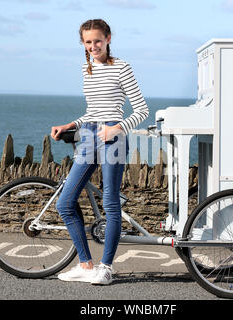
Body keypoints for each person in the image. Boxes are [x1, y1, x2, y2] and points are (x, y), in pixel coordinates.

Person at [50, 19, 149, 285]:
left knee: (110, 204)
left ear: (107, 39)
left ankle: (105, 268)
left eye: (98, 40)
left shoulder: (122, 67)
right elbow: (93, 111)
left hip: (112, 140)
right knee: (65, 202)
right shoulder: (87, 68)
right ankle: (85, 264)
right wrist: (71, 124)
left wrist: (117, 128)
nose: (93, 46)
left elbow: (142, 110)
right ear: (83, 43)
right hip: (89, 137)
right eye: (88, 42)